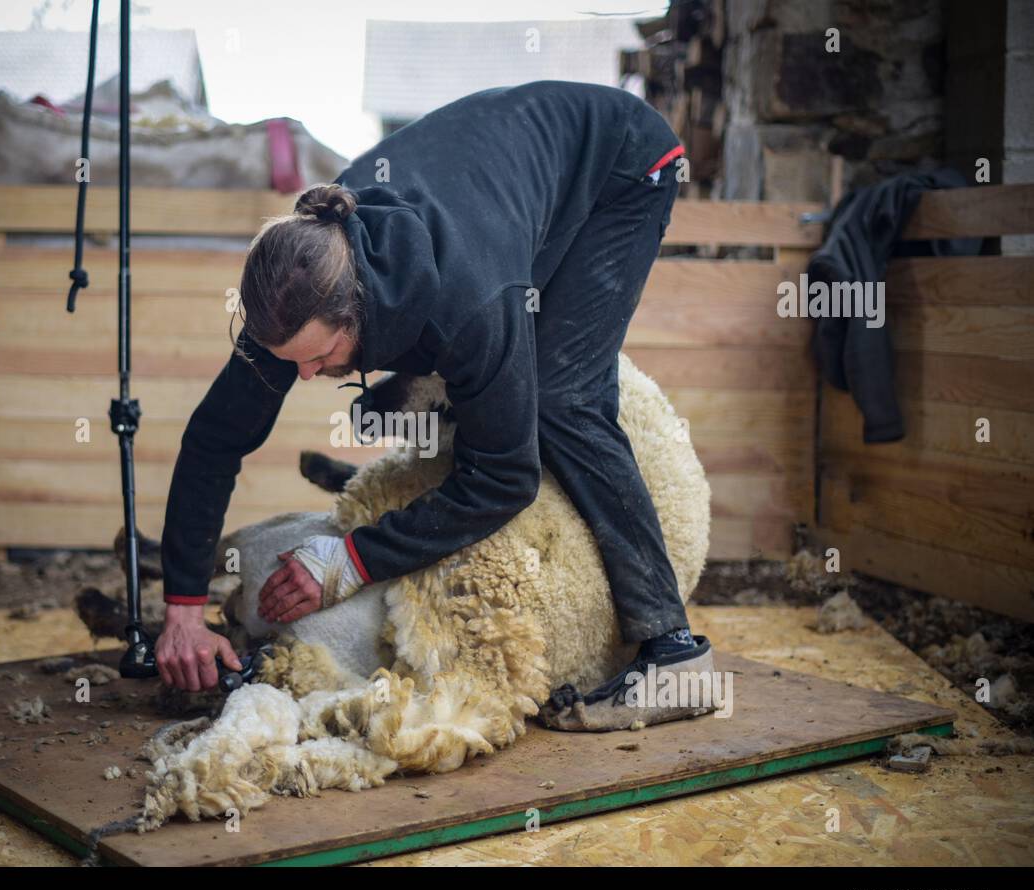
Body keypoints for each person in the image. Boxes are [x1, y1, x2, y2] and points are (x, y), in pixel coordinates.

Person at [154, 80, 712, 729]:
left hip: (620, 163)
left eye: (319, 358)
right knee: (476, 392)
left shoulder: (468, 300)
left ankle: (672, 652)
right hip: (499, 176)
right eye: (290, 362)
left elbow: (506, 478)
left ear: (357, 317)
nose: (303, 377)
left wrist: (353, 558)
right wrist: (183, 613)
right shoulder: (298, 280)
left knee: (560, 394)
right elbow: (215, 438)